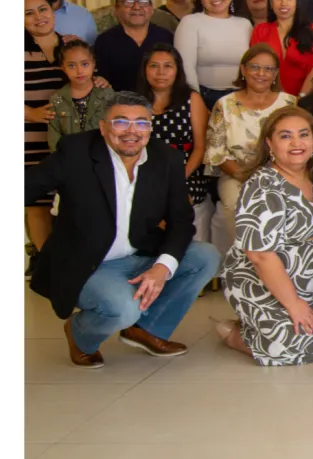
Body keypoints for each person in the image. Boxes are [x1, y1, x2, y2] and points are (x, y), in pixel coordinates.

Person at [25, 91, 221, 367]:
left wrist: (161, 267)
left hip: (139, 253)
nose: (131, 131)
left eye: (141, 123)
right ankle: (80, 334)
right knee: (123, 309)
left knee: (206, 256)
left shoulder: (166, 158)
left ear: (150, 128)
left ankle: (146, 329)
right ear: (103, 126)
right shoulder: (76, 152)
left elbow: (181, 221)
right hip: (88, 263)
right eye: (120, 122)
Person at [215, 106, 313, 365]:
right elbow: (260, 256)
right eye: (286, 136)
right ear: (269, 143)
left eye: (304, 134)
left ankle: (264, 322)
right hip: (264, 275)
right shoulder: (261, 186)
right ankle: (233, 333)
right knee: (288, 349)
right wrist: (294, 303)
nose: (297, 143)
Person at [205, 44, 297, 229]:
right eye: (255, 67)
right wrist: (248, 177)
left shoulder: (289, 103)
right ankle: (243, 249)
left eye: (268, 69)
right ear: (243, 69)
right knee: (238, 206)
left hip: (283, 174)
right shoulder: (224, 105)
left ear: (275, 73)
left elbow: (297, 146)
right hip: (236, 176)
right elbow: (217, 153)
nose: (261, 73)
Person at [136, 44, 215, 242]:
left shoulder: (192, 99)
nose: (160, 72)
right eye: (154, 66)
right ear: (145, 70)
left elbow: (200, 148)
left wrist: (178, 177)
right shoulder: (135, 102)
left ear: (177, 70)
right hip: (145, 171)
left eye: (168, 66)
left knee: (176, 206)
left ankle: (174, 252)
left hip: (186, 172)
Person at [25, 0, 68, 253]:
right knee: (38, 203)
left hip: (68, 139)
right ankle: (45, 262)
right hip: (30, 140)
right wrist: (30, 113)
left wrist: (99, 79)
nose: (38, 17)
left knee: (70, 201)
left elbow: (88, 75)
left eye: (42, 9)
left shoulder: (71, 45)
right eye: (28, 13)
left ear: (52, 11)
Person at [175, 0, 253, 109]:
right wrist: (197, 102)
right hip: (205, 96)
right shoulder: (190, 22)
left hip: (242, 96)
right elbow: (185, 68)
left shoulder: (245, 24)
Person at [251, 0, 313, 97]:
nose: (283, 3)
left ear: (297, 2)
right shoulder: (260, 31)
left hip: (306, 99)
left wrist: (301, 98)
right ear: (270, 2)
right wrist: (279, 100)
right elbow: (256, 67)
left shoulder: (312, 30)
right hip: (267, 97)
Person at [94, 0, 175, 92]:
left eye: (143, 2)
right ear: (116, 9)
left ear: (151, 8)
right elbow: (100, 81)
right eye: (129, 2)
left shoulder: (166, 37)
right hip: (119, 101)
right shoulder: (104, 41)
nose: (136, 7)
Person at [48, 39, 114, 151]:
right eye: (71, 66)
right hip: (69, 157)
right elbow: (54, 140)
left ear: (93, 64)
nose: (79, 71)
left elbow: (116, 130)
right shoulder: (57, 99)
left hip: (102, 156)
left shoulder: (107, 94)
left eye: (85, 64)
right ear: (63, 68)